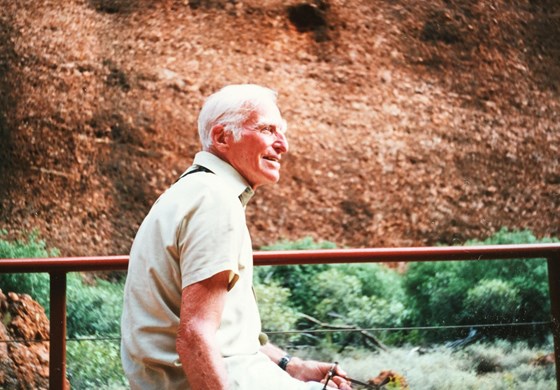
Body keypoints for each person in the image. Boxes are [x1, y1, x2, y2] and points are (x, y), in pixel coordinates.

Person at [120, 84, 352, 390]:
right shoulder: (216, 201)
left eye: (281, 131)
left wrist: (293, 367)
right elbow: (195, 336)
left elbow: (224, 335)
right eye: (268, 129)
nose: (282, 144)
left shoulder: (190, 192)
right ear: (221, 138)